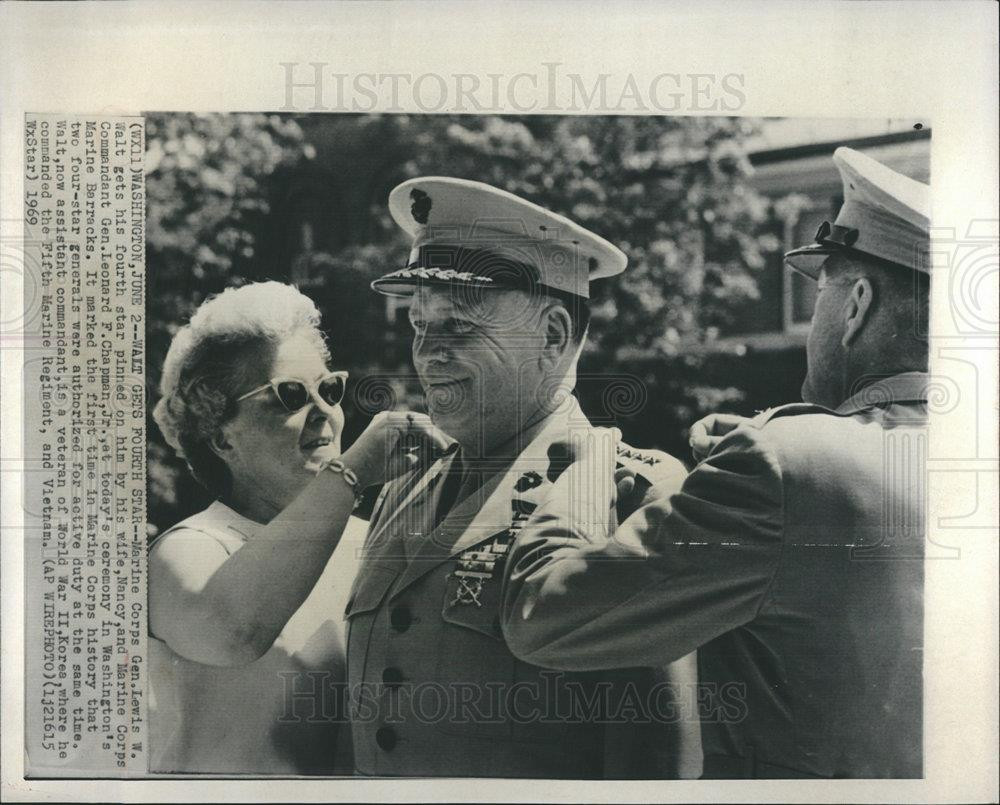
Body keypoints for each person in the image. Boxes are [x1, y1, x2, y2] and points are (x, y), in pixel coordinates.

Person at [500, 147, 930, 779]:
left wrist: (587, 471)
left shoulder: (783, 465)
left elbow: (543, 618)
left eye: (820, 297)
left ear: (858, 304)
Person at [344, 177, 699, 777]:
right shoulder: (402, 493)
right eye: (418, 325)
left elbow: (654, 770)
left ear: (553, 336)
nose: (428, 354)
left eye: (458, 326)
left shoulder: (628, 500)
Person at [149, 281, 448, 774]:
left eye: (329, 389)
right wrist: (351, 473)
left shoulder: (373, 541)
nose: (324, 413)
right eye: (289, 396)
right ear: (222, 437)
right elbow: (232, 634)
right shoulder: (188, 549)